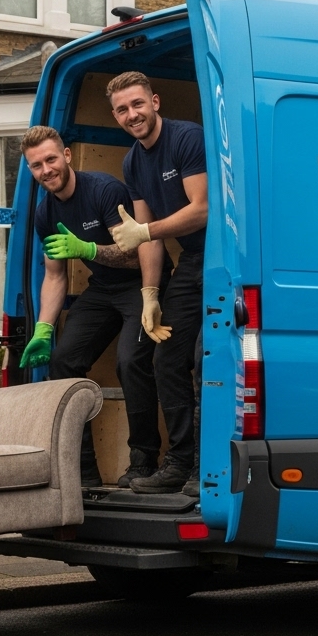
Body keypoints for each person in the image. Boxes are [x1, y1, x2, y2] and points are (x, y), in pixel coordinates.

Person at [16, 125, 170, 489]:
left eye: (51, 159)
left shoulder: (104, 190)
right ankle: (82, 473)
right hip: (102, 288)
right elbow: (55, 277)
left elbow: (138, 255)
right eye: (36, 166)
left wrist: (87, 250)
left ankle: (143, 460)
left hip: (141, 283)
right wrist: (43, 328)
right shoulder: (44, 213)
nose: (46, 170)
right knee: (63, 361)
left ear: (66, 156)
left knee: (130, 361)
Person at [106, 72, 208, 496]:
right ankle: (179, 464)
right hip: (194, 260)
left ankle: (207, 466)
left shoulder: (187, 139)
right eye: (122, 109)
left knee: (208, 361)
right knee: (166, 359)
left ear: (156, 102)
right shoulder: (133, 162)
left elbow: (202, 210)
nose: (132, 115)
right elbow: (143, 230)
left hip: (232, 258)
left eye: (137, 104)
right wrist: (150, 294)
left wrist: (146, 233)